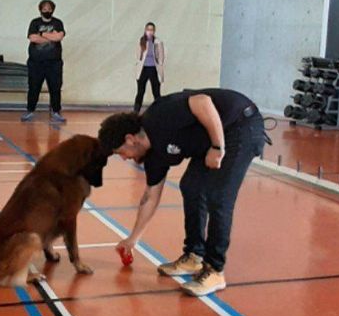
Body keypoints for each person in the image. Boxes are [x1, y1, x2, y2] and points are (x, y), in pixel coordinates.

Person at [98, 88, 269, 297]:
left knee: (218, 195)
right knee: (191, 186)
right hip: (211, 138)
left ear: (130, 139)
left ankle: (215, 270)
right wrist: (132, 239)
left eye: (120, 152)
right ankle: (194, 256)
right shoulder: (153, 156)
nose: (123, 158)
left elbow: (202, 102)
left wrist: (217, 147)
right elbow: (150, 196)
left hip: (239, 125)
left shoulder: (160, 117)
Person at [21, 0, 66, 123]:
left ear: (53, 9)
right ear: (40, 9)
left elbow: (59, 37)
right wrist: (50, 36)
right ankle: (30, 111)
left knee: (55, 88)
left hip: (54, 63)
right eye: (45, 8)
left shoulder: (58, 23)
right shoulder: (34, 22)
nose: (47, 10)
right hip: (36, 63)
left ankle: (56, 111)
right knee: (34, 87)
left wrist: (42, 34)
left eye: (49, 8)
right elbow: (33, 38)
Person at [134, 22, 165, 113]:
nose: (150, 31)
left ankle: (159, 112)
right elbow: (137, 55)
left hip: (154, 69)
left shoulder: (158, 42)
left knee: (156, 92)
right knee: (140, 92)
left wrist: (159, 64)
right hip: (143, 69)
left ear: (154, 31)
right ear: (145, 30)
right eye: (148, 29)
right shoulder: (141, 41)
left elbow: (161, 56)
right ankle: (135, 112)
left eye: (151, 30)